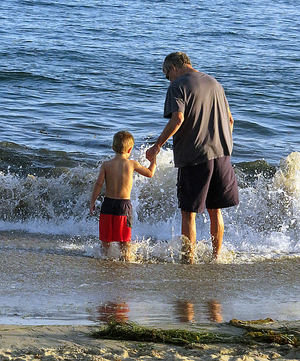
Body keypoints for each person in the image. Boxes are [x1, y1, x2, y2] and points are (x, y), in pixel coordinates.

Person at [146, 52, 239, 263]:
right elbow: (231, 121)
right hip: (222, 154)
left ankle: (189, 261)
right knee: (215, 211)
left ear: (173, 68)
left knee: (189, 212)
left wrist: (157, 146)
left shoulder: (178, 85)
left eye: (165, 74)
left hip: (195, 156)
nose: (167, 79)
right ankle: (217, 257)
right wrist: (222, 143)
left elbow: (178, 118)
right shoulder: (215, 83)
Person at [90, 131, 156, 261]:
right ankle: (126, 261)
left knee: (106, 240)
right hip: (123, 206)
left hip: (107, 204)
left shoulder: (106, 165)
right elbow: (150, 173)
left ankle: (104, 260)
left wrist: (92, 202)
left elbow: (98, 184)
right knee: (124, 241)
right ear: (130, 149)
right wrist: (153, 160)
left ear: (113, 147)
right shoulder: (132, 164)